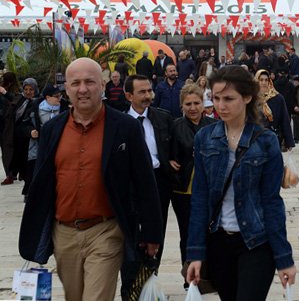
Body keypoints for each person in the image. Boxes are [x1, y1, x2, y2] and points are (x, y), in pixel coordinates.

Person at [18, 58, 163, 301]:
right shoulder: (53, 129)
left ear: (103, 86)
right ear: (67, 89)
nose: (82, 89)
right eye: (75, 83)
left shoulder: (125, 127)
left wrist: (152, 233)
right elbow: (41, 184)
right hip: (63, 234)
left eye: (89, 82)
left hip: (106, 231)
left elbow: (144, 182)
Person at [185, 65, 296, 299]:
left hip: (256, 242)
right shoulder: (204, 138)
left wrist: (284, 259)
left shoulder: (266, 141)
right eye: (216, 98)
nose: (220, 106)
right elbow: (200, 199)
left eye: (228, 98)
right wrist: (195, 252)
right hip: (218, 242)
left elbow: (272, 202)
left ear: (247, 97)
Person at [120, 74, 175, 297]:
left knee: (155, 232)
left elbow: (172, 146)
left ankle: (150, 277)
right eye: (142, 92)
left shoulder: (163, 118)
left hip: (158, 181)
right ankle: (130, 286)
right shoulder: (120, 122)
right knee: (131, 236)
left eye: (149, 91)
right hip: (130, 185)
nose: (148, 96)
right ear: (128, 95)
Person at [169, 83, 215, 289]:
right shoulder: (175, 126)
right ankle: (188, 276)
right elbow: (166, 152)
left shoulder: (212, 126)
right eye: (188, 104)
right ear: (182, 105)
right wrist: (169, 160)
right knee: (187, 233)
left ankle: (209, 275)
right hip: (184, 189)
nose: (193, 107)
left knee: (210, 232)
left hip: (209, 188)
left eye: (196, 103)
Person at [19, 84, 68, 202]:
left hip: (58, 143)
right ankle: (30, 191)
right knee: (35, 167)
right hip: (37, 143)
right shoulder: (35, 107)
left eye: (60, 95)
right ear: (47, 97)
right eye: (56, 96)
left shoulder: (65, 108)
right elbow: (24, 124)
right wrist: (31, 131)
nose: (59, 98)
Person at [256, 69, 295, 150]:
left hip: (273, 136)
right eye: (261, 80)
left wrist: (288, 141)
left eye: (266, 80)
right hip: (255, 138)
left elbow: (284, 119)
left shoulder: (277, 98)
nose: (264, 83)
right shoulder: (251, 98)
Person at [0, 72, 19, 185]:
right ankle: (11, 173)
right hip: (3, 123)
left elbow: (16, 101)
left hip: (9, 124)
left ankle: (10, 174)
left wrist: (5, 92)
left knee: (8, 150)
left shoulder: (14, 91)